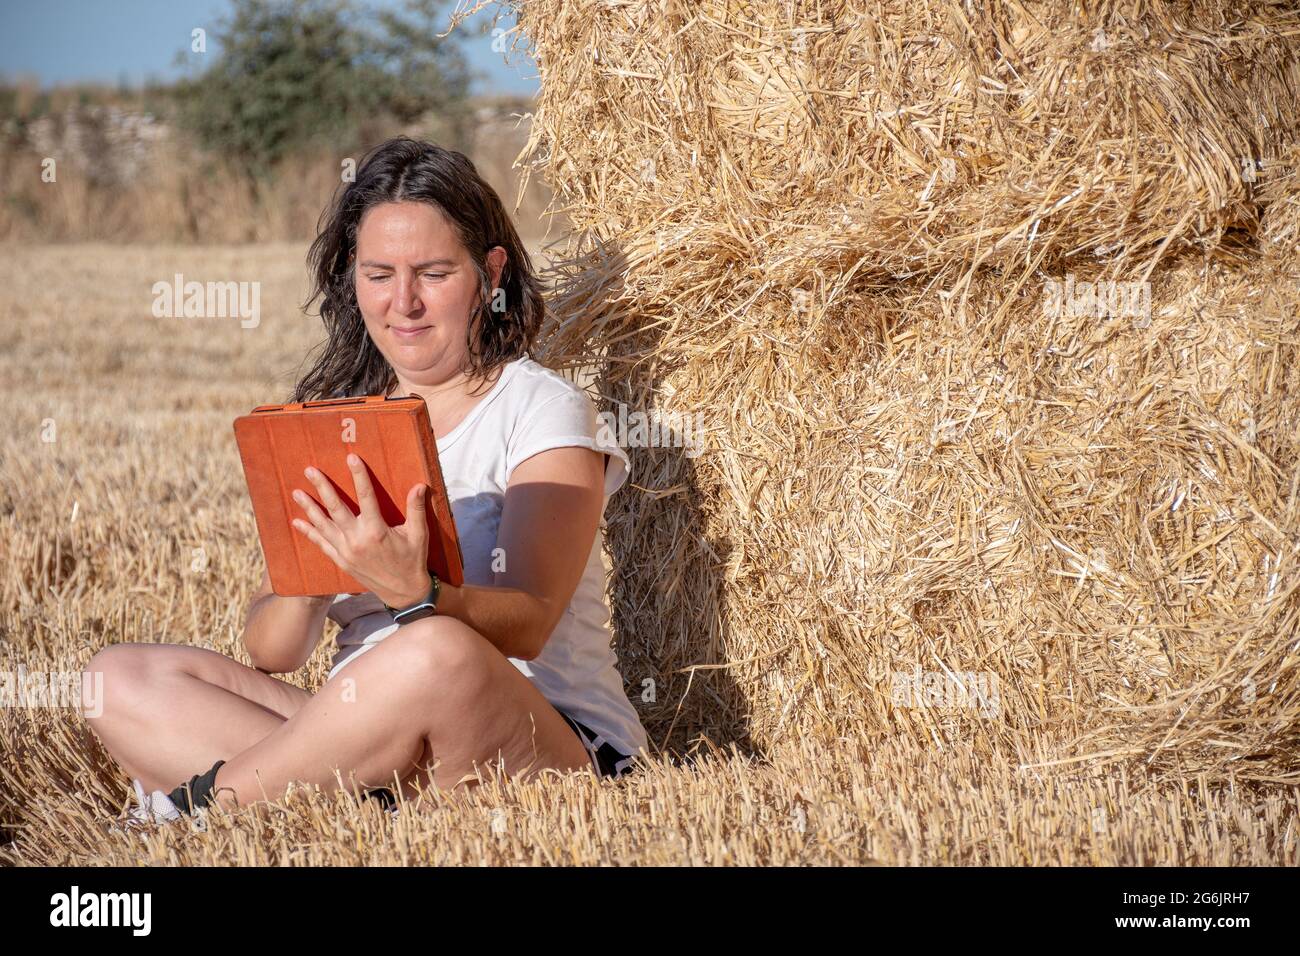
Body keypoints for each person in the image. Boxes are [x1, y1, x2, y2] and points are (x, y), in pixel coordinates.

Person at [85, 137, 649, 826]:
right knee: (114, 681)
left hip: (534, 742)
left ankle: (200, 809)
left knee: (434, 648)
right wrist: (313, 578)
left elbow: (529, 622)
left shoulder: (542, 408)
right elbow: (273, 652)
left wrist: (419, 594)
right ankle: (349, 800)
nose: (403, 302)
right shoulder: (332, 423)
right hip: (362, 739)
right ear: (352, 278)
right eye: (379, 273)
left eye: (434, 273)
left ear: (491, 273)